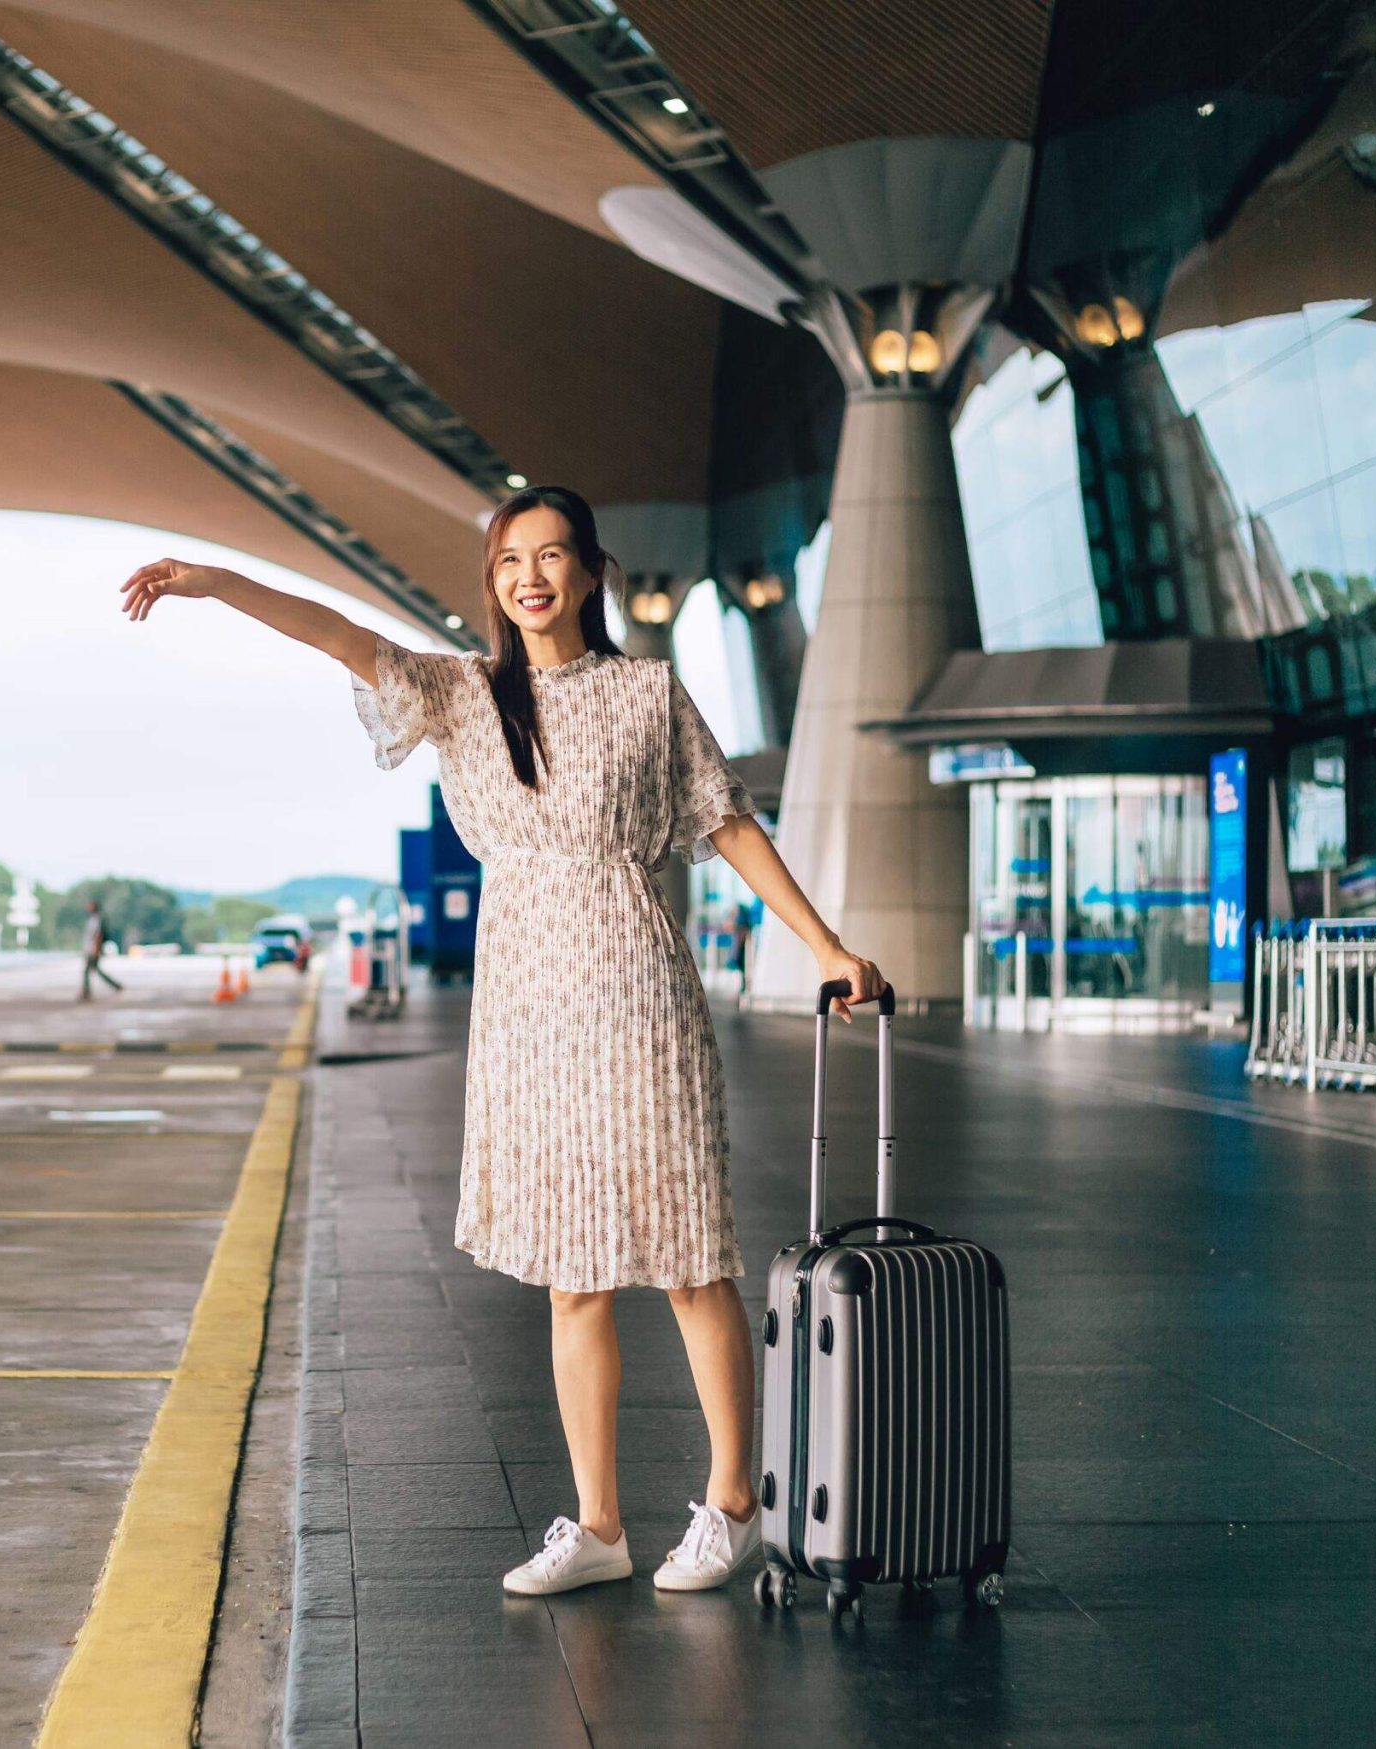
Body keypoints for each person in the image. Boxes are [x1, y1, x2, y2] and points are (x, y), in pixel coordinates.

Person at [121, 484, 884, 1599]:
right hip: (525, 1015)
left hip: (639, 994)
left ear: (589, 572)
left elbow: (727, 822)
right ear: (493, 581)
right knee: (570, 1278)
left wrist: (822, 944)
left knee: (685, 1259)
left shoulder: (644, 692)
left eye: (553, 555)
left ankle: (732, 1505)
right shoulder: (460, 695)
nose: (530, 576)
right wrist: (217, 584)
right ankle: (601, 1526)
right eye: (510, 560)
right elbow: (339, 633)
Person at [77, 898, 123, 1001]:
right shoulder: (92, 918)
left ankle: (86, 992)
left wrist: (96, 950)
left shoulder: (98, 919)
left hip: (93, 949)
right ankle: (116, 986)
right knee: (96, 970)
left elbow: (99, 935)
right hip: (89, 948)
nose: (87, 907)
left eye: (89, 905)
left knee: (87, 971)